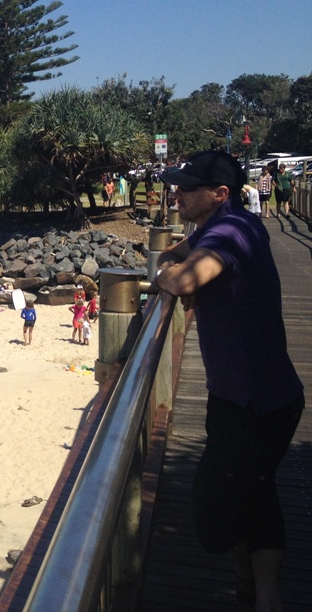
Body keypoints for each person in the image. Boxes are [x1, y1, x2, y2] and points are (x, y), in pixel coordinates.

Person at [155, 150, 304, 612]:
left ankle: (266, 596)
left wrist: (166, 275)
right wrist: (173, 260)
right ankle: (256, 591)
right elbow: (178, 253)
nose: (175, 193)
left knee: (220, 502)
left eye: (186, 188)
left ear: (219, 194)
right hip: (239, 394)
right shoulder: (224, 224)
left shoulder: (233, 231)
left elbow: (184, 279)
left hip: (258, 401)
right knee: (251, 494)